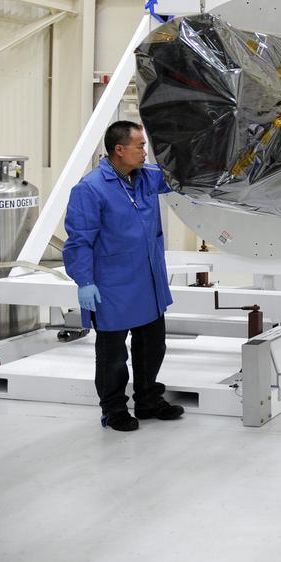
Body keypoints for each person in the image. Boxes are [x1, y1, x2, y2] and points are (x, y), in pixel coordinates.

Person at [62, 121, 183, 432]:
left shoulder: (146, 179)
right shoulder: (90, 189)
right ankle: (114, 408)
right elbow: (79, 241)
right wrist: (84, 281)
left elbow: (178, 176)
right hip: (112, 284)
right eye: (140, 146)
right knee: (113, 354)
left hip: (148, 279)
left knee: (152, 345)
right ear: (119, 149)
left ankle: (147, 400)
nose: (145, 152)